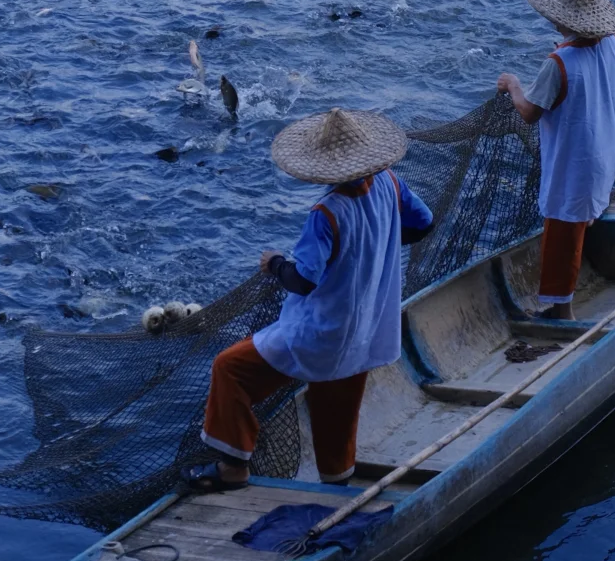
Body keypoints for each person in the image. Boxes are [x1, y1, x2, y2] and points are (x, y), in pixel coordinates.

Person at [181, 108, 433, 493]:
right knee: (336, 419)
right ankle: (337, 486)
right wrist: (373, 250)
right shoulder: (390, 183)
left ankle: (233, 468)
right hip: (367, 330)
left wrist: (274, 264)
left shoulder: (327, 212)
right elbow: (423, 223)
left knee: (230, 369)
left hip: (321, 333)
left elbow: (302, 280)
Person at [497, 0, 615, 321]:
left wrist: (513, 85)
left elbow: (529, 112)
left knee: (562, 232)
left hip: (578, 164)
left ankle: (561, 310)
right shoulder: (613, 43)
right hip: (609, 148)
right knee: (583, 214)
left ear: (558, 19)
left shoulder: (559, 63)